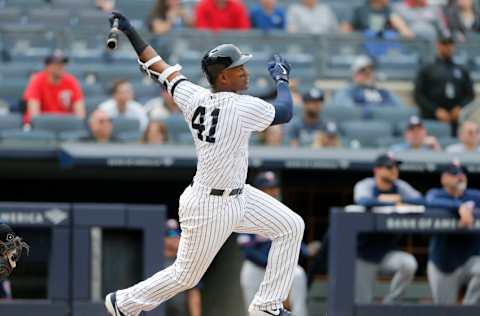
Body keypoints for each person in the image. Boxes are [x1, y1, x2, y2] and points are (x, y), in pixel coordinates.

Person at [105, 12, 304, 316]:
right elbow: (285, 111)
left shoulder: (193, 95)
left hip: (239, 195)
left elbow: (158, 66)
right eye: (239, 68)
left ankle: (267, 306)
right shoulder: (239, 106)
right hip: (209, 206)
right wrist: (282, 80)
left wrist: (131, 31)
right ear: (223, 77)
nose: (246, 73)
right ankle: (123, 303)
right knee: (186, 276)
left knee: (291, 225)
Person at [238, 171, 317, 316]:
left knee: (298, 274)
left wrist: (305, 250)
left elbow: (292, 238)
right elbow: (247, 250)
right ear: (258, 191)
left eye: (274, 188)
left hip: (279, 268)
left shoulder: (282, 212)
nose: (272, 192)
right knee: (253, 311)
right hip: (256, 268)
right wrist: (270, 264)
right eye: (267, 189)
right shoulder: (246, 212)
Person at [353, 153, 423, 303]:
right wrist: (388, 202)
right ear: (377, 170)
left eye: (396, 167)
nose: (394, 170)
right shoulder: (367, 185)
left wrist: (397, 199)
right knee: (363, 302)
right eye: (389, 167)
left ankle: (390, 305)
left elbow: (420, 199)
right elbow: (363, 200)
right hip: (363, 254)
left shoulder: (400, 187)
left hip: (386, 253)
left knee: (408, 264)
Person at [425, 161, 480, 304]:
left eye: (462, 174)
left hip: (469, 260)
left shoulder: (474, 195)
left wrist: (471, 211)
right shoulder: (436, 194)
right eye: (455, 175)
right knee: (445, 310)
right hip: (443, 264)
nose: (460, 178)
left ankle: (468, 310)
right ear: (444, 178)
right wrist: (459, 207)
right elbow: (429, 201)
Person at [414, 31, 475, 127]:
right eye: (445, 44)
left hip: (458, 119)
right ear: (438, 45)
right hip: (432, 118)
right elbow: (418, 95)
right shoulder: (427, 69)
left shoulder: (462, 70)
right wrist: (435, 110)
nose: (448, 47)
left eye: (450, 44)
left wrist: (460, 108)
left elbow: (470, 94)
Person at [22, 49, 86, 125]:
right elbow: (34, 115)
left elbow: (80, 115)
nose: (61, 66)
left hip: (64, 126)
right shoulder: (37, 81)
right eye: (57, 64)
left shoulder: (71, 81)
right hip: (44, 126)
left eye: (62, 63)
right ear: (47, 66)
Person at [331, 55, 406, 117]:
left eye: (370, 70)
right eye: (363, 71)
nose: (368, 73)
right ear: (354, 74)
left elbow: (401, 111)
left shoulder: (383, 92)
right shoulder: (347, 91)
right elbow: (350, 113)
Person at [164, 219, 202, 316]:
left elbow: (193, 294)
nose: (176, 238)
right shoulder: (153, 261)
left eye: (178, 234)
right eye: (170, 235)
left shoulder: (187, 262)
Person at [347, 0, 414, 38]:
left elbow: (407, 33)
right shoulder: (361, 10)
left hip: (385, 49)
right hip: (364, 48)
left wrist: (402, 29)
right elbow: (346, 29)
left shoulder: (389, 10)